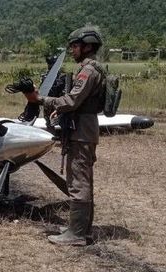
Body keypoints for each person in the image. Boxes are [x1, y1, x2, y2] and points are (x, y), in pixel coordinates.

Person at [21, 26, 105, 246]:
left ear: (87, 46)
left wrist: (42, 100)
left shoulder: (88, 71)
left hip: (82, 132)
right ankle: (80, 230)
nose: (72, 50)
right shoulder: (89, 69)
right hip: (83, 129)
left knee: (79, 181)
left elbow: (72, 101)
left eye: (76, 46)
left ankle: (76, 234)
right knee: (81, 180)